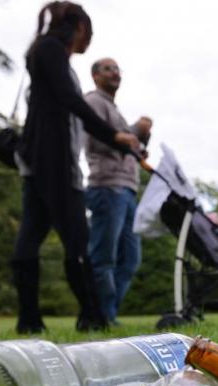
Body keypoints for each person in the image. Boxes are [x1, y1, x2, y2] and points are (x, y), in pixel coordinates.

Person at [11, 1, 140, 333]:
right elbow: (72, 102)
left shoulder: (45, 53)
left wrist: (116, 138)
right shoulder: (51, 50)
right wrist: (115, 136)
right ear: (79, 28)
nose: (89, 41)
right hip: (54, 159)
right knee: (76, 239)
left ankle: (30, 320)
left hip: (37, 158)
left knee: (33, 233)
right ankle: (91, 314)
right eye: (89, 33)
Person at [83, 58, 152, 325]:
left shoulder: (113, 108)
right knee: (103, 257)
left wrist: (139, 134)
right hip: (106, 186)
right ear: (95, 75)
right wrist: (128, 136)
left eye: (117, 69)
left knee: (131, 259)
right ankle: (101, 316)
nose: (115, 73)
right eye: (108, 69)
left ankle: (107, 313)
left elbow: (126, 139)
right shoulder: (93, 103)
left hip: (128, 190)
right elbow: (97, 137)